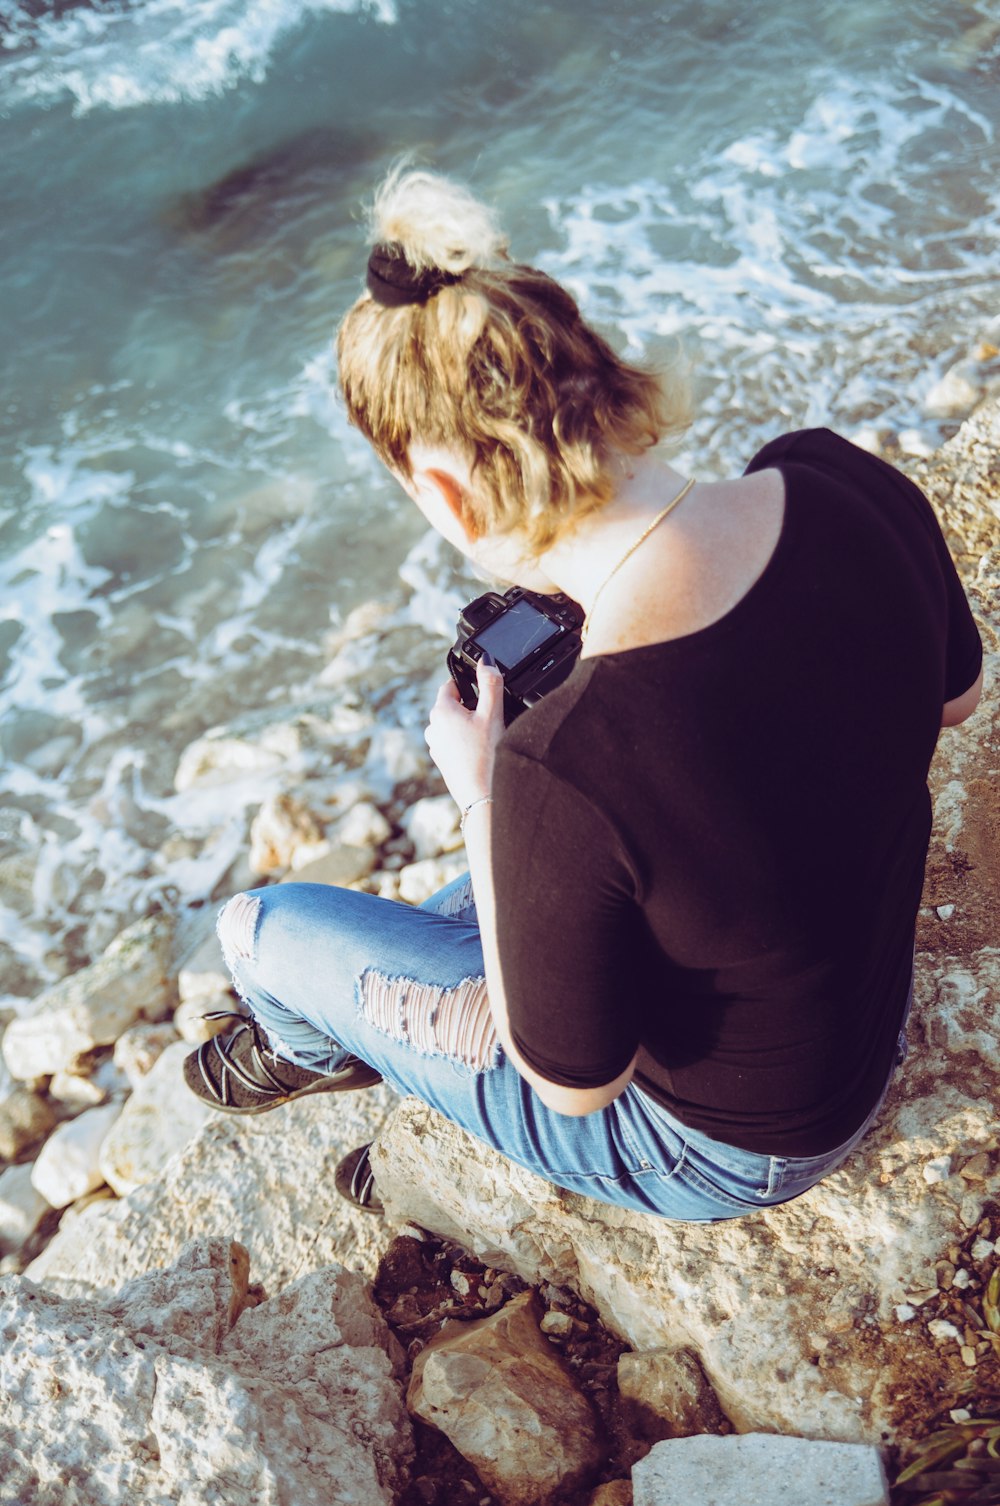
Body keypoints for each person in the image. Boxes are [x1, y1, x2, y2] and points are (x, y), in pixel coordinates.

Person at [183, 167, 984, 1221]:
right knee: (546, 891)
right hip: (860, 1023)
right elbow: (953, 704)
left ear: (442, 490)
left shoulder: (564, 764)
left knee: (259, 930)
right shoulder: (839, 479)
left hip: (721, 1151)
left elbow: (572, 1081)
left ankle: (307, 1052)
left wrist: (488, 801)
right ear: (601, 376)